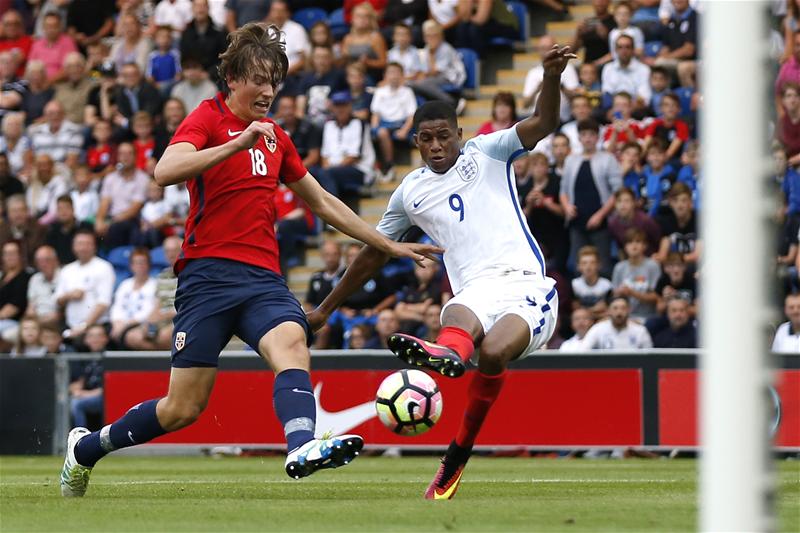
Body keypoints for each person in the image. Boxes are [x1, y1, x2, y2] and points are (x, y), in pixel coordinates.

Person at [59, 22, 439, 497]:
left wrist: (389, 243)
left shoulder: (276, 137)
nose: (268, 90)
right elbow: (164, 170)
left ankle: (300, 444)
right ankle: (87, 448)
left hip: (262, 276)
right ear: (233, 79)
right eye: (259, 79)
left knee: (292, 342)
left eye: (274, 81)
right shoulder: (207, 117)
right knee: (183, 408)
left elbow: (321, 202)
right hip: (206, 276)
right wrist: (235, 144)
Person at [308, 45, 575, 500]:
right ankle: (448, 354)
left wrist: (551, 77)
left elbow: (544, 124)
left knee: (492, 354)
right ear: (416, 142)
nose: (436, 146)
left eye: (443, 137)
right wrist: (324, 310)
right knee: (458, 312)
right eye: (427, 139)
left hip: (527, 286)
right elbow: (373, 253)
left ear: (459, 133)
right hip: (475, 292)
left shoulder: (489, 151)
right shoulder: (409, 193)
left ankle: (456, 450)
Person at [560, 118, 621, 277]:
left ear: (597, 137)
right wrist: (567, 206)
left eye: (592, 134)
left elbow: (617, 192)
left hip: (601, 222)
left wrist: (601, 215)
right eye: (584, 134)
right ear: (579, 138)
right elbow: (563, 190)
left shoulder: (608, 159)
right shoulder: (571, 160)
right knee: (576, 266)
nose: (587, 138)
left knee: (603, 266)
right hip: (576, 221)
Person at [54, 229, 115, 341]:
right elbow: (58, 300)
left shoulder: (104, 267)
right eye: (80, 244)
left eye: (87, 244)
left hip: (96, 325)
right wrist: (69, 295)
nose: (83, 248)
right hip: (70, 325)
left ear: (94, 247)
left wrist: (84, 326)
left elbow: (104, 302)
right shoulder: (67, 270)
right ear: (73, 247)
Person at [319, 91, 376, 201]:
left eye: (344, 105)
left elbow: (354, 157)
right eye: (337, 105)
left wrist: (329, 169)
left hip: (359, 169)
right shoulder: (329, 125)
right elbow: (325, 155)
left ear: (350, 106)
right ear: (333, 107)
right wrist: (327, 168)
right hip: (334, 170)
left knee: (327, 174)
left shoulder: (359, 123)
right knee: (312, 174)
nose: (340, 109)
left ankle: (333, 214)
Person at [95, 142, 150, 249]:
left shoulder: (143, 179)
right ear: (118, 156)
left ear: (135, 156)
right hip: (111, 219)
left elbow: (134, 209)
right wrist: (99, 221)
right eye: (122, 154)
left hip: (131, 220)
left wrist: (110, 223)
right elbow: (104, 203)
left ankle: (115, 258)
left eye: (129, 154)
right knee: (86, 226)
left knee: (119, 227)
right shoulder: (110, 178)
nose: (125, 157)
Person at [370, 62, 417, 181]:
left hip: (399, 124)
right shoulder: (380, 92)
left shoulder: (407, 92)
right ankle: (376, 167)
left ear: (402, 75)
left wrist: (404, 130)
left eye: (397, 73)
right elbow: (375, 114)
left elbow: (411, 115)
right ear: (385, 75)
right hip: (384, 124)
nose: (394, 76)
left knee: (382, 132)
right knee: (377, 132)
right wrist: (373, 128)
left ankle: (388, 166)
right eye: (390, 73)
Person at [522, 35, 579, 124]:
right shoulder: (532, 73)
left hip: (563, 120)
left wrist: (557, 83)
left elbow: (576, 99)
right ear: (538, 50)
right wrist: (538, 88)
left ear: (556, 49)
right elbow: (525, 104)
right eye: (543, 48)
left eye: (550, 48)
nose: (546, 51)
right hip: (537, 122)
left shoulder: (568, 69)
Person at [109, 248, 157, 348]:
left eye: (143, 262)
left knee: (134, 337)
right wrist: (117, 323)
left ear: (149, 265)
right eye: (136, 263)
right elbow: (117, 307)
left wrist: (125, 325)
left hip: (142, 324)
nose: (140, 266)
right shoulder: (125, 284)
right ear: (131, 266)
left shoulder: (155, 285)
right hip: (120, 324)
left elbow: (150, 310)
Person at [611, 228, 660, 322]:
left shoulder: (652, 266)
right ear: (625, 247)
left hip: (648, 317)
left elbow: (656, 296)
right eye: (630, 242)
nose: (634, 245)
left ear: (644, 246)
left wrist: (632, 293)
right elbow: (614, 295)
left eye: (638, 241)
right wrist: (619, 292)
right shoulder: (619, 267)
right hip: (624, 318)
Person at [69, 324, 108, 429]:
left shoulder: (110, 357)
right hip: (88, 395)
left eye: (99, 336)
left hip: (105, 397)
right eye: (91, 336)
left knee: (77, 403)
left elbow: (111, 387)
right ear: (86, 339)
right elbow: (79, 381)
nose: (95, 339)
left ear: (105, 339)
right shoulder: (84, 358)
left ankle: (81, 440)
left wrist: (86, 394)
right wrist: (75, 389)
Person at [179, 0, 227, 82]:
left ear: (208, 8)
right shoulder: (186, 33)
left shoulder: (219, 32)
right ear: (192, 9)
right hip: (190, 77)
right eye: (197, 6)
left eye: (203, 6)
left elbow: (224, 59)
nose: (200, 9)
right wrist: (188, 71)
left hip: (214, 78)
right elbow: (184, 58)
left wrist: (209, 74)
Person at [601, 34, 651, 111]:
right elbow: (607, 94)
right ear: (615, 50)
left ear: (633, 49)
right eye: (620, 47)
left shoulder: (643, 69)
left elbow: (644, 98)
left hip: (636, 110)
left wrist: (626, 109)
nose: (624, 51)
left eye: (627, 47)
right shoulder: (608, 68)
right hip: (613, 109)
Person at [581, 295, 653, 349]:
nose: (619, 312)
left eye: (623, 308)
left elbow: (649, 357)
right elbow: (584, 350)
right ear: (608, 310)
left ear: (629, 310)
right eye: (615, 308)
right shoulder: (598, 329)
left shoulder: (640, 331)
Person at [28, 11, 77, 84]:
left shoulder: (68, 42)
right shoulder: (37, 44)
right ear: (43, 27)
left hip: (61, 84)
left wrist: (49, 82)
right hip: (38, 84)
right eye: (48, 26)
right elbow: (30, 67)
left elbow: (70, 69)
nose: (51, 29)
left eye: (54, 26)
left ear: (60, 27)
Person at [0, 240, 31, 349]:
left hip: (14, 323)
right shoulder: (2, 277)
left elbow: (12, 308)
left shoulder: (25, 278)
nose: (9, 257)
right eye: (6, 254)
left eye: (13, 254)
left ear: (20, 256)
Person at [45, 195, 94, 264]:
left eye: (66, 208)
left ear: (73, 209)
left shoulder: (85, 227)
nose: (63, 212)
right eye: (60, 209)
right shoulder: (52, 230)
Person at [0, 195, 46, 264]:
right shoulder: (2, 230)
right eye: (14, 211)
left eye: (21, 210)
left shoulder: (39, 229)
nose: (18, 215)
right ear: (8, 214)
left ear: (27, 211)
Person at [571, 245, 612, 320]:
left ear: (599, 265)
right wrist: (594, 310)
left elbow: (608, 311)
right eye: (584, 263)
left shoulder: (606, 285)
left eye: (592, 263)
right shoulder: (574, 285)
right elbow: (576, 310)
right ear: (578, 266)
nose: (588, 267)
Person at [25, 244, 61, 328]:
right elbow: (31, 306)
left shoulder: (65, 276)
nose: (43, 264)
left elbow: (64, 310)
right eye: (39, 261)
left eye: (47, 260)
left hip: (58, 320)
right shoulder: (35, 279)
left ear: (56, 260)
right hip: (37, 321)